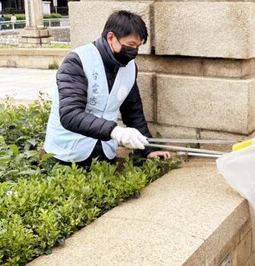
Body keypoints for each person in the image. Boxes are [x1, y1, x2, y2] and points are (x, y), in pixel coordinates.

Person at [44, 10, 170, 167]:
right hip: (67, 155)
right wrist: (116, 132)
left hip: (104, 153)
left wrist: (148, 149)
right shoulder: (77, 61)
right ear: (111, 38)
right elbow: (71, 114)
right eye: (131, 45)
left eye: (138, 46)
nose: (134, 52)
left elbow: (133, 111)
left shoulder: (130, 67)